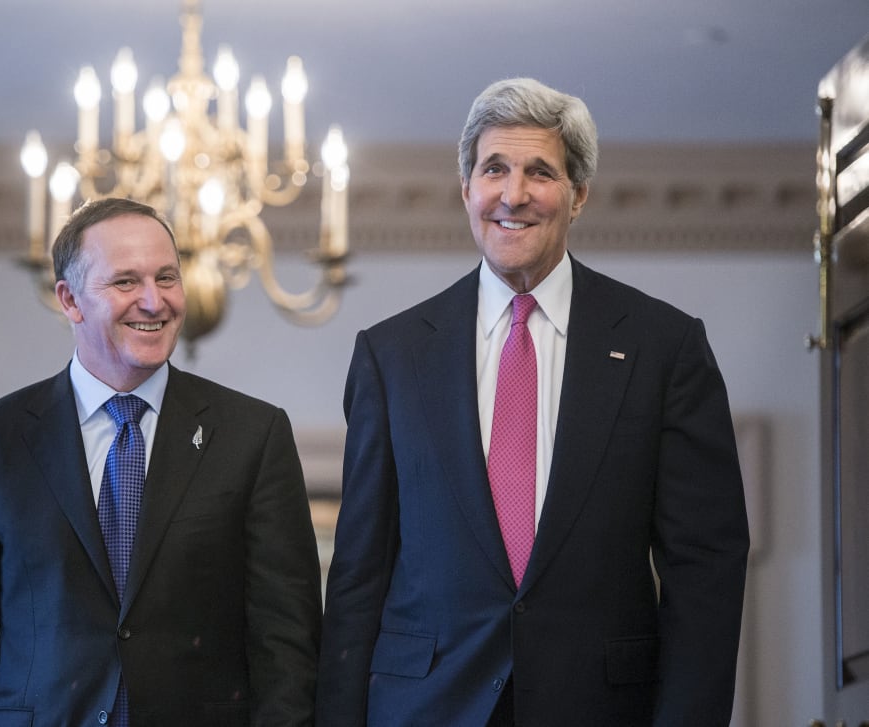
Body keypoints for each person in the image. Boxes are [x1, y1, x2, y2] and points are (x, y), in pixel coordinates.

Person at [316, 78, 749, 726]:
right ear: (466, 188)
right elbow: (358, 576)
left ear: (578, 196)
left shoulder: (665, 348)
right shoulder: (391, 356)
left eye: (539, 172)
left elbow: (706, 568)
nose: (513, 194)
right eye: (494, 169)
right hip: (423, 706)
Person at [0, 197, 323, 726]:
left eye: (167, 278)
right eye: (126, 282)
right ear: (71, 299)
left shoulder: (253, 435)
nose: (154, 301)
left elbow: (286, 641)